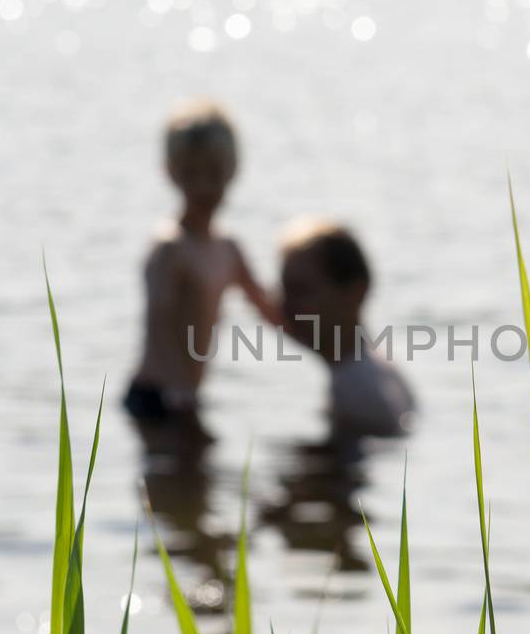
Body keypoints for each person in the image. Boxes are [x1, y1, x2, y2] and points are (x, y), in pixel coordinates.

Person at [125, 99, 279, 441]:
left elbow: (270, 310)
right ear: (171, 172)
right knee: (168, 487)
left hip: (189, 397)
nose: (204, 187)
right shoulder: (169, 247)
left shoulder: (228, 249)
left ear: (233, 170)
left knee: (199, 488)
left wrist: (334, 339)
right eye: (191, 175)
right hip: (156, 395)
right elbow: (160, 324)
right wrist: (179, 391)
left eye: (214, 173)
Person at [278, 218, 415, 441]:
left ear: (355, 292)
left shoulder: (356, 390)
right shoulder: (373, 367)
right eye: (284, 290)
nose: (285, 307)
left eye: (301, 291)